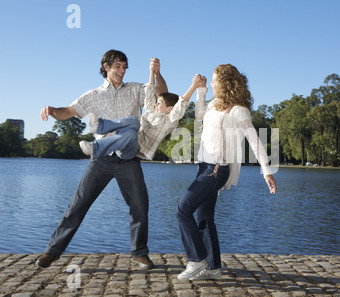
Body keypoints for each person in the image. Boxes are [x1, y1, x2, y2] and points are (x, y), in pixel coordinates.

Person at [36, 50, 167, 269]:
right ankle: (52, 251)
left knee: (140, 207)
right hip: (102, 159)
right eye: (117, 66)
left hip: (128, 157)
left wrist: (157, 73)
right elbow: (68, 111)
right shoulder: (93, 95)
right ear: (106, 67)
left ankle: (139, 253)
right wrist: (51, 110)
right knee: (77, 206)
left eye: (125, 66)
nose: (122, 71)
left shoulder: (136, 89)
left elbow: (162, 95)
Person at [175, 64, 277, 281]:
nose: (212, 83)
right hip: (204, 166)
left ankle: (196, 260)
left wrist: (267, 171)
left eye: (214, 80)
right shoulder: (214, 105)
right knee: (204, 217)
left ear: (225, 82)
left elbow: (254, 141)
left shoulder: (239, 110)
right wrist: (201, 91)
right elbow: (200, 115)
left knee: (183, 210)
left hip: (217, 170)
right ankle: (212, 266)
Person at [79, 60, 206, 161]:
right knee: (134, 122)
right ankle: (100, 126)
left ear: (170, 109)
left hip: (133, 150)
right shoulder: (151, 112)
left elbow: (181, 104)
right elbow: (149, 93)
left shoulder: (169, 121)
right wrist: (152, 71)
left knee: (132, 129)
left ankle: (95, 148)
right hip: (124, 139)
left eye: (160, 103)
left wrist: (194, 86)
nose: (156, 105)